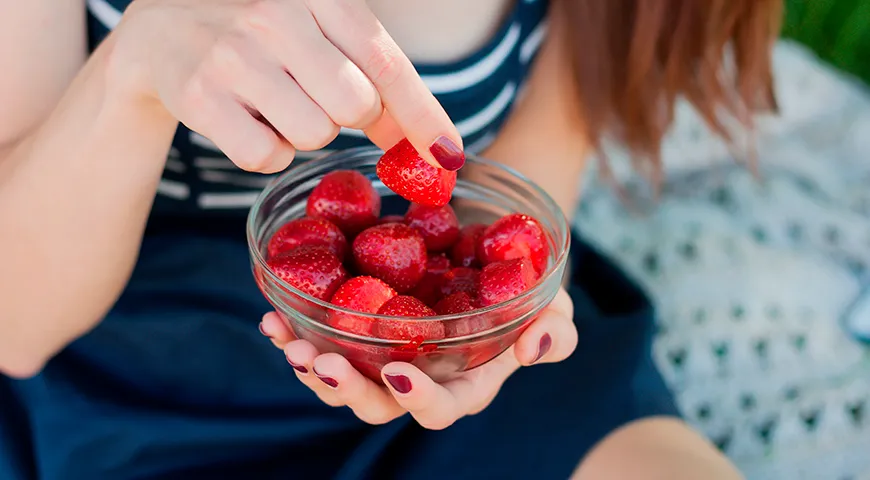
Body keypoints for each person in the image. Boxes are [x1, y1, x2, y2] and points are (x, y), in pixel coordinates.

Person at [0, 0, 780, 478]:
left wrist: (470, 341)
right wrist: (136, 62)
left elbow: (504, 216)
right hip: (109, 370)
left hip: (433, 367)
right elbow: (16, 324)